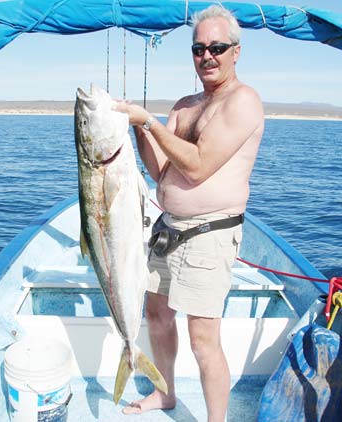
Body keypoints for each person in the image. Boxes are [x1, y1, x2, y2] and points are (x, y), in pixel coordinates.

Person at [114, 4, 264, 421]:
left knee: (203, 339)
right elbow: (162, 169)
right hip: (167, 229)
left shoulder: (243, 102)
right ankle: (165, 394)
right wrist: (138, 128)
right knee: (157, 315)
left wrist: (151, 122)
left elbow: (198, 166)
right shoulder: (183, 105)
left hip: (208, 234)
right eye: (199, 48)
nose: (207, 56)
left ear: (236, 51)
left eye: (217, 47)